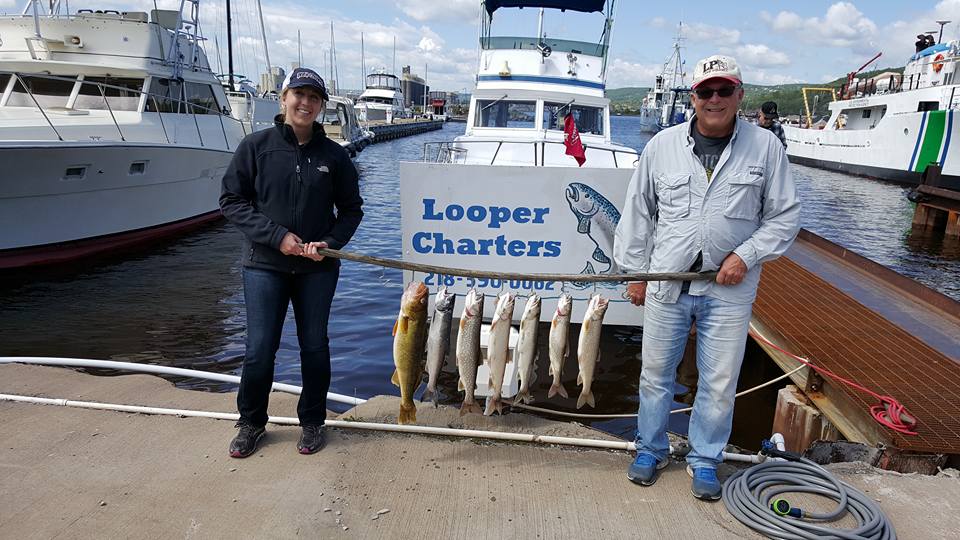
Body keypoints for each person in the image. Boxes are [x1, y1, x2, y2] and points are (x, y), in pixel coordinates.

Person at [612, 54, 800, 500]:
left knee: (719, 381)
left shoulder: (766, 147)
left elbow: (784, 217)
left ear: (740, 95)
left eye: (724, 90)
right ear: (693, 97)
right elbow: (638, 213)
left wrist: (746, 255)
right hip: (667, 282)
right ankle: (650, 449)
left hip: (729, 288)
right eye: (706, 91)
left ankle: (705, 459)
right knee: (654, 375)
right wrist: (636, 273)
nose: (715, 99)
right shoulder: (662, 146)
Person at [220, 67, 364, 458]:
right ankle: (251, 423)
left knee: (314, 345)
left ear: (321, 106)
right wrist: (277, 236)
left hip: (317, 268)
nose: (305, 103)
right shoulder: (256, 146)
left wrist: (330, 243)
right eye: (299, 94)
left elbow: (351, 210)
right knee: (259, 349)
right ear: (283, 98)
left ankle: (313, 421)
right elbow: (232, 201)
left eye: (314, 98)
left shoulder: (335, 156)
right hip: (264, 264)